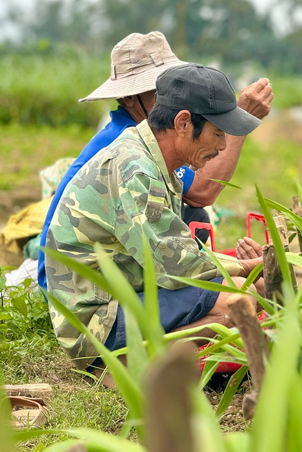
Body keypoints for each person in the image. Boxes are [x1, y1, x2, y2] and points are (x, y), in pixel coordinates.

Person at [45, 63, 266, 369]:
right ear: (183, 123)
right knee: (236, 302)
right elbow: (178, 264)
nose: (223, 146)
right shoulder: (136, 169)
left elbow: (172, 248)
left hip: (122, 295)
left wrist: (244, 271)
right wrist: (246, 266)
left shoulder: (151, 155)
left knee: (244, 291)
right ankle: (119, 367)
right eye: (217, 133)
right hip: (96, 323)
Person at [37, 31, 273, 291]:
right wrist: (254, 266)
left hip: (108, 268)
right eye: (161, 92)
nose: (171, 99)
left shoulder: (150, 139)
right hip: (81, 287)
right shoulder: (127, 148)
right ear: (129, 98)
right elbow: (201, 192)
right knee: (232, 287)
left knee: (194, 219)